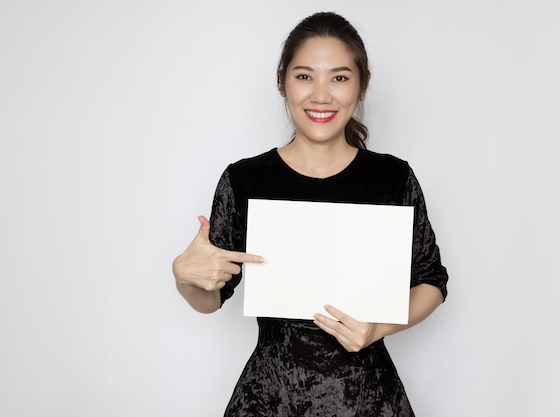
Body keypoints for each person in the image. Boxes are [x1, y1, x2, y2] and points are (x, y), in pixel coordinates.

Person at [172, 11, 448, 417]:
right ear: (283, 82)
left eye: (339, 77)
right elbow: (211, 298)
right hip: (270, 399)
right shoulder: (245, 179)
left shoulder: (392, 177)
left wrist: (379, 328)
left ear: (363, 85)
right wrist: (186, 279)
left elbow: (432, 281)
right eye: (304, 76)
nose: (321, 95)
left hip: (368, 400)